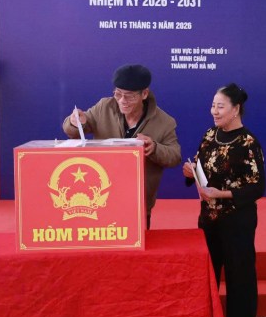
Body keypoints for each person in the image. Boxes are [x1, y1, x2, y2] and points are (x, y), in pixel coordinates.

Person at [182, 83, 265, 317]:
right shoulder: (210, 134)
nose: (214, 111)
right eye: (213, 106)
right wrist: (190, 171)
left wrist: (221, 194)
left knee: (239, 271)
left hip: (237, 218)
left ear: (235, 109)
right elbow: (200, 164)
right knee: (208, 270)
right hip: (209, 217)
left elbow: (257, 187)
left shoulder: (248, 142)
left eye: (220, 106)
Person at [64, 64, 180, 227]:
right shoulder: (104, 107)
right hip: (99, 199)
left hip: (138, 202)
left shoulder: (165, 122)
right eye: (118, 94)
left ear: (144, 94)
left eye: (130, 96)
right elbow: (73, 130)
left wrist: (154, 148)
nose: (122, 101)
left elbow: (175, 156)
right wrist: (75, 122)